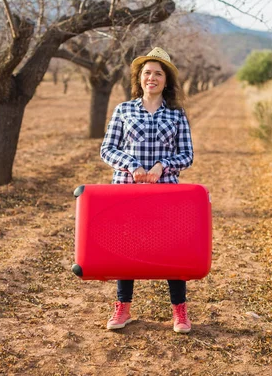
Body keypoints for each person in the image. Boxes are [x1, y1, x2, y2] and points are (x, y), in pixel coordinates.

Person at [100, 47, 194, 333]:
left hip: (165, 192)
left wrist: (162, 166)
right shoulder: (124, 110)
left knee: (171, 248)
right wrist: (130, 164)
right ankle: (123, 309)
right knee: (126, 247)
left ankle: (180, 312)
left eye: (158, 73)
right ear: (139, 78)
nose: (151, 78)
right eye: (147, 73)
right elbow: (107, 149)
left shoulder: (177, 115)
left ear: (166, 80)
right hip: (126, 191)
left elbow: (187, 155)